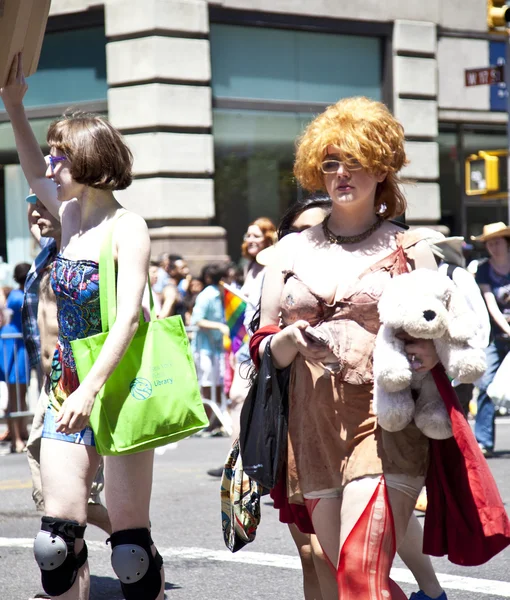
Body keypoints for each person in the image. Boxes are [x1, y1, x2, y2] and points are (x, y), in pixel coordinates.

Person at [257, 96, 447, 600]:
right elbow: (260, 345)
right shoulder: (287, 252)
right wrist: (286, 341)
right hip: (311, 430)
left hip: (384, 425)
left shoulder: (411, 249)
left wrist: (428, 354)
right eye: (331, 162)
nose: (342, 173)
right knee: (350, 579)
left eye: (356, 161)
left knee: (361, 577)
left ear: (382, 167)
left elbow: (448, 332)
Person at [1, 52, 165, 600]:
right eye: (50, 157)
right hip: (67, 388)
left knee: (131, 554)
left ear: (89, 160)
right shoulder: (69, 218)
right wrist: (13, 105)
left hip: (116, 389)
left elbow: (127, 319)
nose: (49, 169)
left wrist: (91, 390)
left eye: (59, 158)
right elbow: (28, 167)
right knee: (55, 543)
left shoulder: (127, 226)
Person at [23, 195, 111, 534]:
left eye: (44, 206)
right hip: (51, 384)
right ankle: (71, 565)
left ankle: (130, 533)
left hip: (76, 382)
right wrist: (37, 200)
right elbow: (36, 215)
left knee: (74, 493)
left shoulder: (78, 255)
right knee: (45, 479)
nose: (36, 214)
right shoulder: (47, 251)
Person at [472, 222, 510, 456]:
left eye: (497, 242)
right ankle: (484, 441)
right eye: (489, 243)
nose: (493, 247)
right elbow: (490, 303)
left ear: (507, 243)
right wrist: (506, 327)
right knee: (486, 383)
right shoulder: (484, 270)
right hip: (496, 335)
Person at [1, 261, 31, 453]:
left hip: (19, 346)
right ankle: (16, 438)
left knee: (20, 393)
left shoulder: (16, 294)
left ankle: (20, 432)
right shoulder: (19, 297)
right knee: (15, 395)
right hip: (14, 346)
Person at [191, 263, 229, 407]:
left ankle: (217, 421)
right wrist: (219, 326)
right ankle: (210, 420)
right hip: (205, 348)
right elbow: (197, 320)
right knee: (207, 384)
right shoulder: (207, 295)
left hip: (219, 348)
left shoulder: (222, 295)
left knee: (219, 383)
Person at [158, 254, 191, 319]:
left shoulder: (176, 287)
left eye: (186, 267)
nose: (186, 271)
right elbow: (163, 315)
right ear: (172, 271)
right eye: (182, 268)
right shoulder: (170, 290)